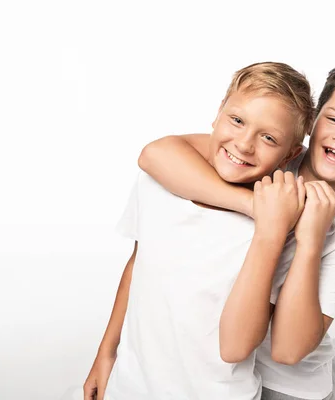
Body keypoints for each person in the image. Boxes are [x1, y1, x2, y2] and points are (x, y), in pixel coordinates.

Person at [138, 65, 335, 400]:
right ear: (312, 122)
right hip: (217, 367)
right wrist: (258, 208)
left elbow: (288, 351)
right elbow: (158, 155)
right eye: (334, 119)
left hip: (287, 385)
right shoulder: (268, 152)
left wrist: (312, 240)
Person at [82, 61, 315, 400]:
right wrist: (106, 354)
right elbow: (138, 265)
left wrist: (270, 230)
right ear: (219, 112)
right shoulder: (159, 182)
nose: (244, 144)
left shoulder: (279, 225)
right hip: (130, 387)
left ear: (290, 154)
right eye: (237, 120)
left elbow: (239, 345)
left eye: (268, 138)